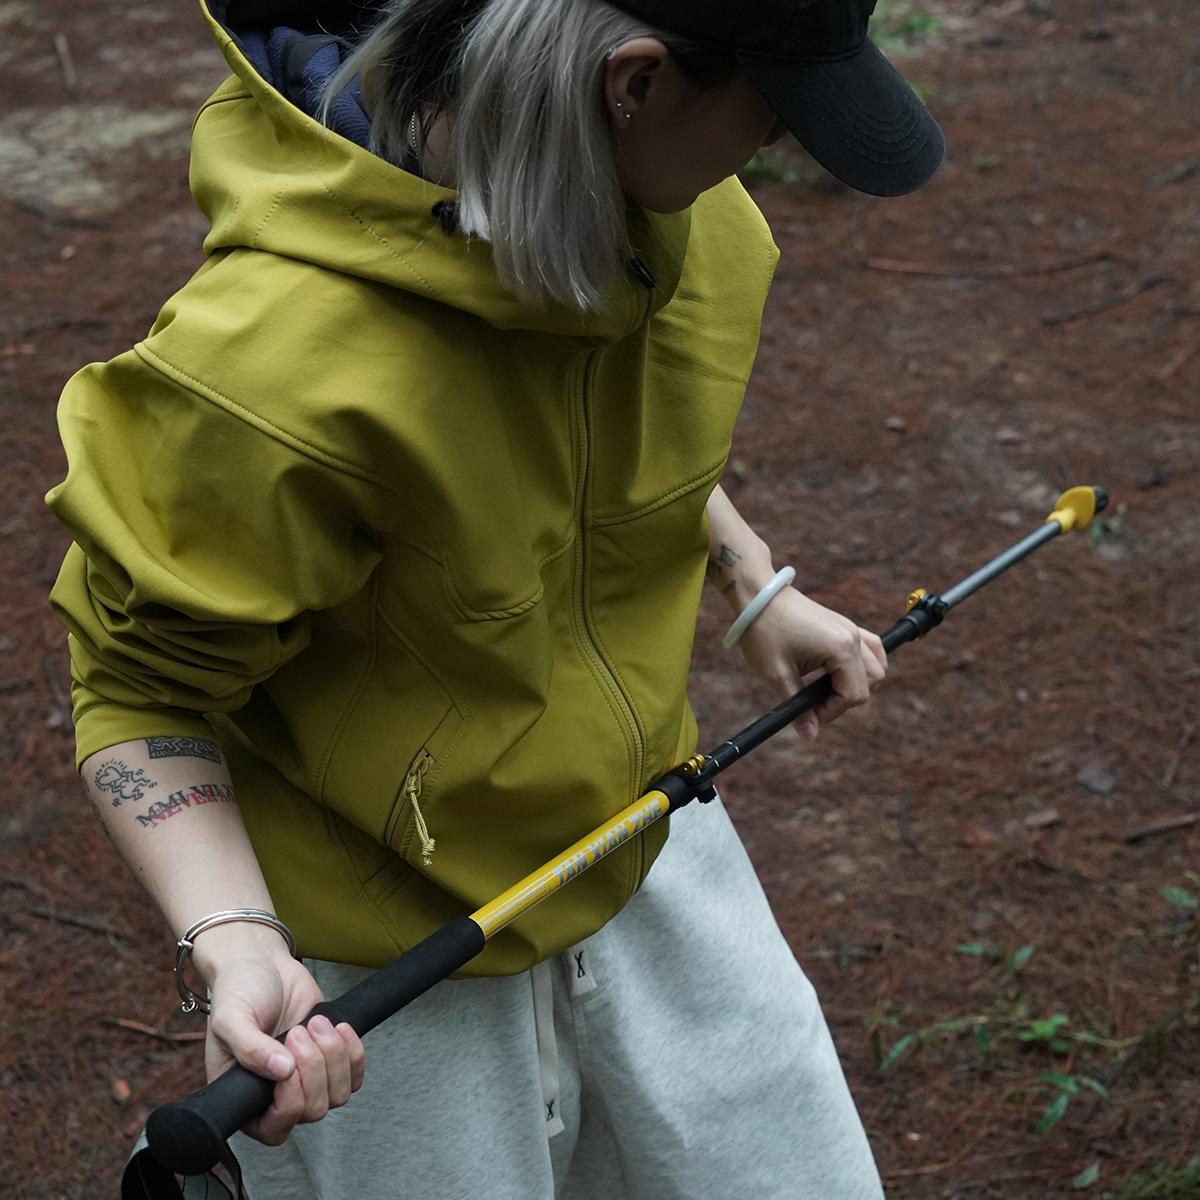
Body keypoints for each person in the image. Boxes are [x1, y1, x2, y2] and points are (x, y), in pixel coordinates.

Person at [47, 0, 943, 1196]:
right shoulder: (272, 374)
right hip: (387, 958)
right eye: (771, 110)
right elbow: (137, 691)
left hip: (643, 842)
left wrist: (749, 581)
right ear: (632, 85)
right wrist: (236, 939)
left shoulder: (681, 221)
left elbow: (592, 431)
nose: (773, 151)